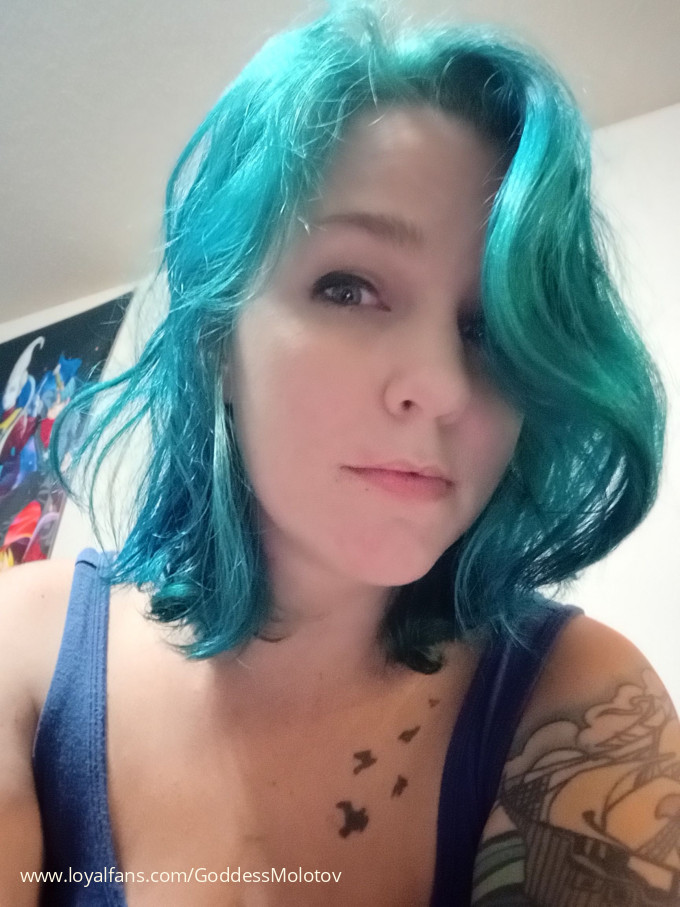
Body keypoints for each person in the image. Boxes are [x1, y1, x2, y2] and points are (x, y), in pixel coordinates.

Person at [1, 2, 677, 905]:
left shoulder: (576, 701)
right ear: (215, 340)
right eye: (349, 287)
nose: (442, 386)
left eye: (491, 329)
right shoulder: (26, 649)